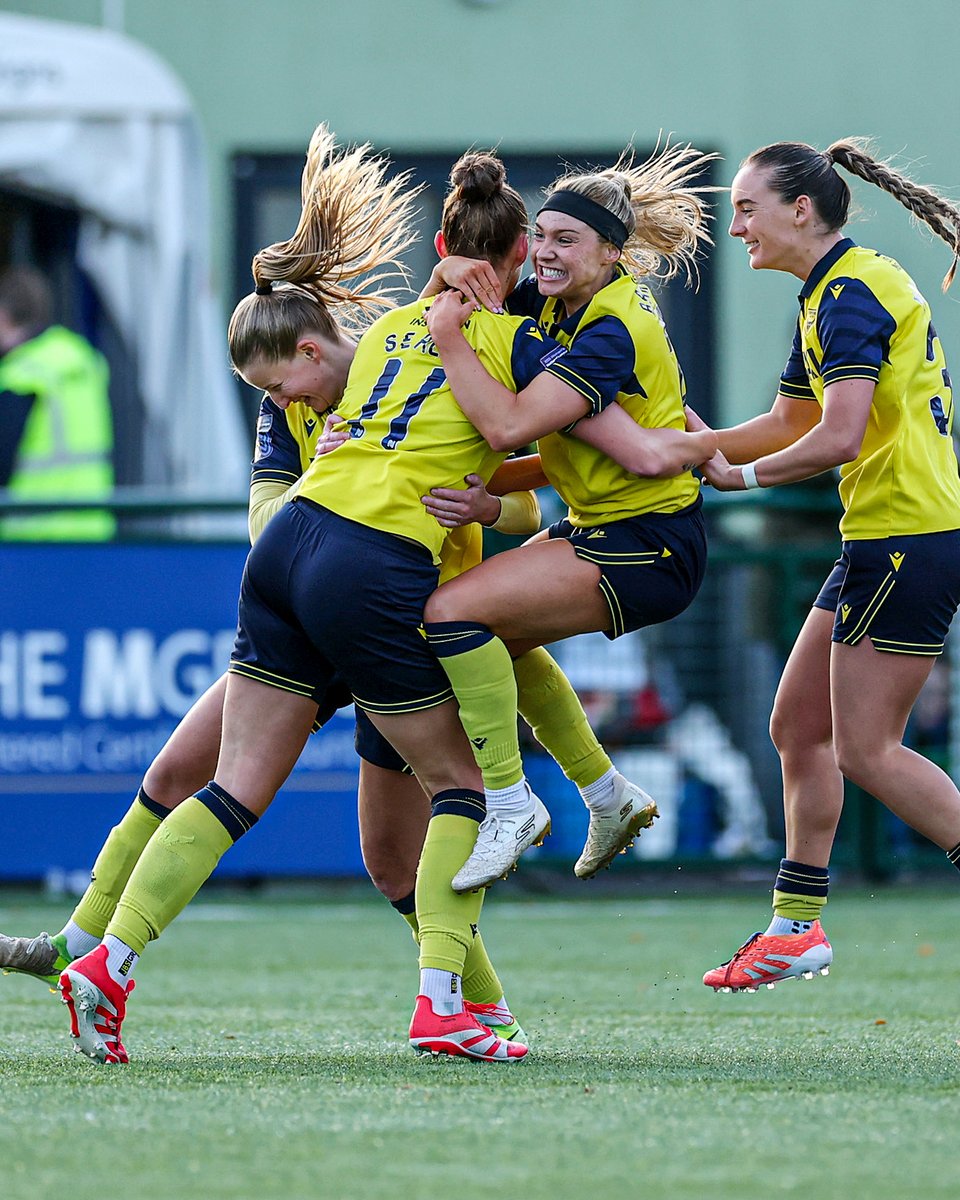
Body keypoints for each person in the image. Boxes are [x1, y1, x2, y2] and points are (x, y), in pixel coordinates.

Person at [55, 144, 641, 1067]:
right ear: (525, 256)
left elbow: (480, 457)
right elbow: (555, 443)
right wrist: (679, 451)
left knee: (240, 792)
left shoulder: (386, 335)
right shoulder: (522, 348)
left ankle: (108, 962)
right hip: (376, 579)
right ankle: (464, 969)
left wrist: (489, 490)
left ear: (445, 245)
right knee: (464, 784)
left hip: (290, 550)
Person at [695, 139, 960, 992]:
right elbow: (787, 420)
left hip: (906, 538)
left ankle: (797, 925)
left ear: (800, 210)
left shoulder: (848, 293)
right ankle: (794, 927)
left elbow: (837, 438)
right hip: (880, 537)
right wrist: (686, 447)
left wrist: (734, 477)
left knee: (869, 751)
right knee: (796, 726)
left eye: (746, 208)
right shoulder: (832, 291)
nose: (737, 227)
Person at [419, 141, 719, 891]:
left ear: (612, 253)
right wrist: (446, 273)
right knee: (494, 640)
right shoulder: (558, 303)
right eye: (541, 238)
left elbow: (508, 425)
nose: (544, 254)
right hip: (607, 526)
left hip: (649, 544)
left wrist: (448, 341)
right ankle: (607, 796)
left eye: (567, 240)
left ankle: (511, 804)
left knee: (453, 615)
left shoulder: (613, 327)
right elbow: (558, 441)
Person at [0, 265, 114, 540]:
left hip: (33, 541)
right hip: (94, 533)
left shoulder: (21, 375)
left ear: (3, 317)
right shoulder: (83, 359)